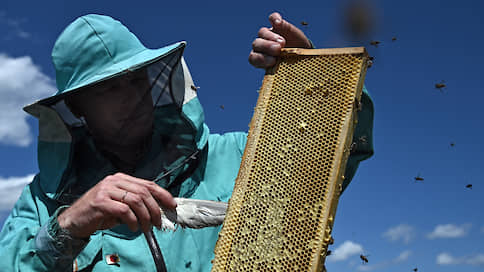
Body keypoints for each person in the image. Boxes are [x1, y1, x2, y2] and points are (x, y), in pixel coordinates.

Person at [0, 12, 374, 271]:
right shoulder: (42, 201)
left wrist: (317, 80)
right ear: (77, 107)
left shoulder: (240, 156)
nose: (130, 96)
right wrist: (66, 227)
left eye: (135, 79)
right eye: (109, 89)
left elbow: (336, 156)